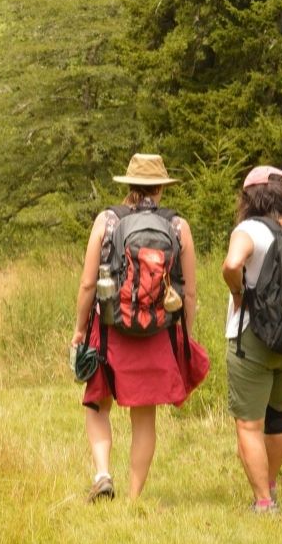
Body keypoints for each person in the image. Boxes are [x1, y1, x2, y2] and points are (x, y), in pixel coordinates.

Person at [71, 153, 204, 502]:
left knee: (97, 404)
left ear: (129, 184)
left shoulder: (108, 221)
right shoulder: (178, 226)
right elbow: (189, 291)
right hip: (157, 332)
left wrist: (80, 330)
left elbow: (88, 285)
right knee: (144, 417)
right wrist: (184, 336)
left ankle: (102, 473)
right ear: (161, 187)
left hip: (112, 328)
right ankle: (133, 498)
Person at [222, 165, 282, 513]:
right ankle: (271, 486)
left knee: (250, 423)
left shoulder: (248, 229)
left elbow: (232, 264)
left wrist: (238, 294)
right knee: (280, 415)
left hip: (254, 338)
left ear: (249, 197)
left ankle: (263, 502)